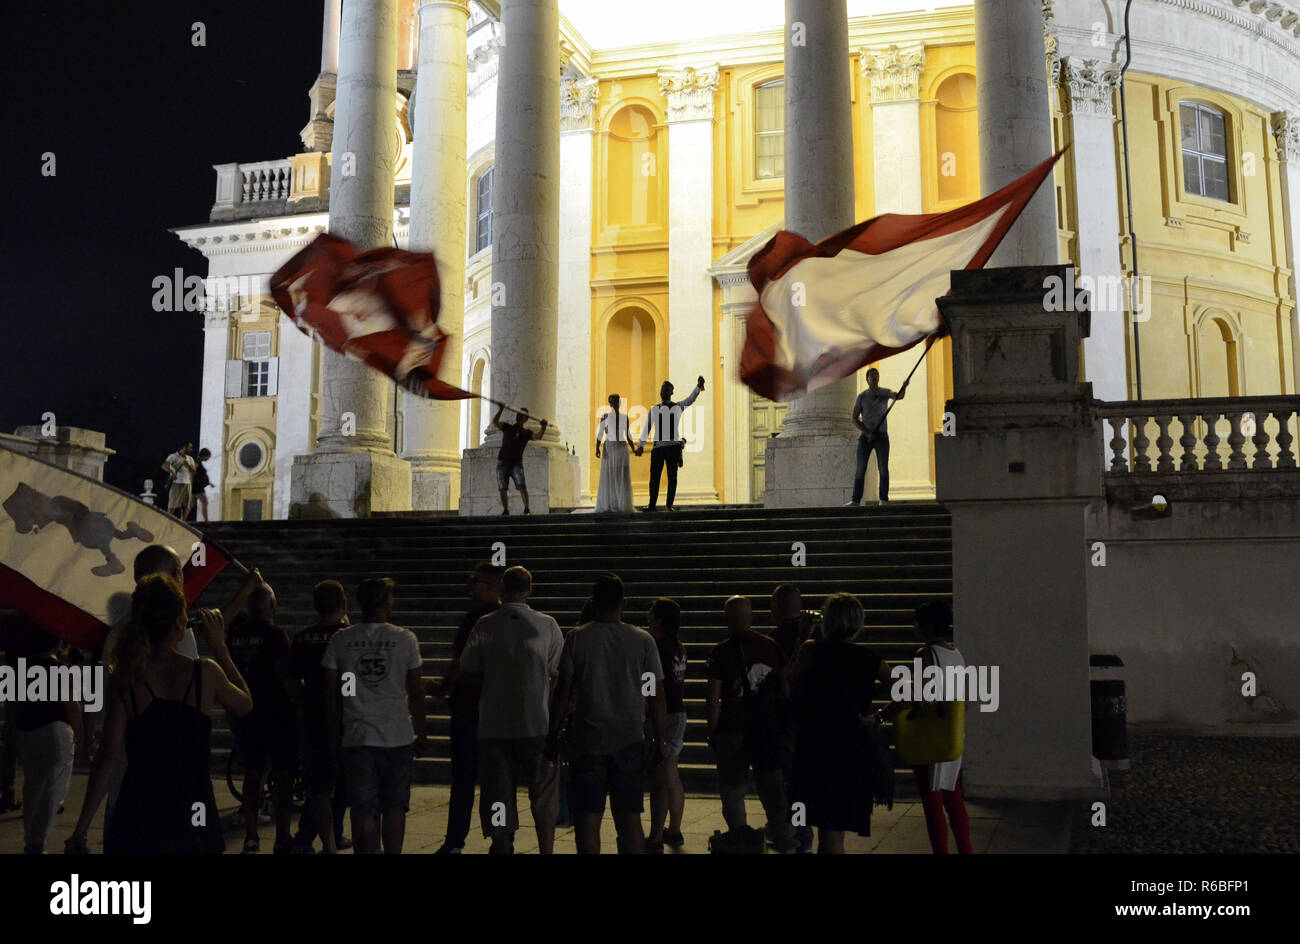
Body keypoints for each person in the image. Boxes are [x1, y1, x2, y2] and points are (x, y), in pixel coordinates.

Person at [66, 574, 254, 854]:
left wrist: (81, 830)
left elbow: (108, 758)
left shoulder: (127, 678)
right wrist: (220, 647)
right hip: (194, 807)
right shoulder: (206, 672)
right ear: (180, 623)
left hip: (139, 808)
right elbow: (246, 704)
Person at [547, 574, 665, 854]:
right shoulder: (643, 641)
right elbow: (655, 696)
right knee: (629, 819)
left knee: (587, 821)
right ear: (625, 603)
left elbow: (563, 693)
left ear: (593, 602)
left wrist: (552, 733)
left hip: (587, 742)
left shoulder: (577, 638)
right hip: (630, 741)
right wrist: (659, 740)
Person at [458, 566, 563, 854]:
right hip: (536, 722)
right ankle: (546, 848)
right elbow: (559, 674)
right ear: (530, 590)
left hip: (494, 724)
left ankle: (502, 843)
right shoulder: (548, 625)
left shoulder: (485, 625)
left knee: (498, 793)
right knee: (542, 794)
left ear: (502, 589)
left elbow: (467, 670)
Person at [322, 578, 427, 854]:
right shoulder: (404, 639)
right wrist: (422, 731)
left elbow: (332, 695)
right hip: (397, 736)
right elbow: (416, 692)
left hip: (357, 737)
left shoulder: (341, 640)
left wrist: (334, 735)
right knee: (394, 806)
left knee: (362, 807)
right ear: (387, 603)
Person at [789, 592, 893, 854]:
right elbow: (908, 694)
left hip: (816, 744)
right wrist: (878, 716)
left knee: (827, 828)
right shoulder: (872, 659)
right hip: (852, 748)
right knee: (836, 829)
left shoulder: (811, 650)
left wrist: (802, 638)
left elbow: (788, 684)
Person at [705, 596, 795, 853]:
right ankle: (784, 837)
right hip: (765, 728)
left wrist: (713, 729)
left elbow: (713, 698)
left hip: (732, 729)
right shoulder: (771, 646)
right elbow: (785, 688)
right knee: (772, 787)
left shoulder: (720, 651)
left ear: (726, 620)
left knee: (733, 789)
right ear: (752, 618)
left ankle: (740, 838)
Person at [886, 600, 972, 855]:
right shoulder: (956, 654)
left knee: (932, 801)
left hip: (929, 737)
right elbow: (966, 701)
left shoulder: (925, 655)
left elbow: (920, 697)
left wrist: (892, 707)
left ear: (928, 626)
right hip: (952, 736)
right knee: (954, 799)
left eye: (918, 622)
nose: (915, 627)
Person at [431, 563, 503, 854]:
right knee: (497, 781)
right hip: (498, 710)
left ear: (490, 585)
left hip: (469, 708)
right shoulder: (506, 618)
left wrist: (443, 687)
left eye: (476, 582)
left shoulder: (476, 618)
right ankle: (501, 840)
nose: (472, 587)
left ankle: (454, 842)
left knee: (463, 779)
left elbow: (458, 664)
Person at [226, 583, 298, 854]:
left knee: (253, 775)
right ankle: (282, 837)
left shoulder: (235, 636)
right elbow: (284, 675)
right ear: (272, 606)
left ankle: (252, 836)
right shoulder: (276, 635)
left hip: (247, 714)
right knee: (283, 776)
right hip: (277, 715)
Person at [290, 580, 352, 854]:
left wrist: (304, 701)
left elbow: (290, 680)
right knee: (343, 783)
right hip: (348, 717)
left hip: (314, 716)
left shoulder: (303, 639)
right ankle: (330, 836)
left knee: (319, 785)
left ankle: (323, 840)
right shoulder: (350, 636)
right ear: (344, 604)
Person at [15, 628, 82, 854]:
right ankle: (38, 840)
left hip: (27, 730)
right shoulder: (60, 670)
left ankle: (31, 839)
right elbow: (71, 706)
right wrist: (82, 735)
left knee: (32, 786)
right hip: (55, 730)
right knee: (53, 788)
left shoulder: (22, 669)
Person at [770, 584, 814, 852]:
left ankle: (799, 834)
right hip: (815, 716)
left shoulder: (773, 639)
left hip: (787, 718)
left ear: (777, 609)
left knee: (791, 780)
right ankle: (805, 834)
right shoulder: (821, 637)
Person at [645, 597, 686, 854]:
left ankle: (657, 835)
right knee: (672, 773)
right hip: (677, 710)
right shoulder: (678, 646)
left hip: (665, 713)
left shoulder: (657, 647)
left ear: (658, 621)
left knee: (663, 776)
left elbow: (652, 686)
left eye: (651, 614)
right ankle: (674, 829)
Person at [635, 375, 705, 511]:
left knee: (672, 478)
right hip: (658, 448)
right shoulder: (654, 409)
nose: (663, 391)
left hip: (672, 447)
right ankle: (652, 504)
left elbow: (690, 400)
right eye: (662, 389)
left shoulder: (678, 406)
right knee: (654, 478)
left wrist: (698, 387)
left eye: (666, 389)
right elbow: (646, 428)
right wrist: (641, 446)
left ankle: (669, 505)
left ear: (671, 392)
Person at [847, 368, 907, 506]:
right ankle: (856, 500)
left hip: (881, 436)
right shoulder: (861, 397)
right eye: (872, 375)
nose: (874, 377)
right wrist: (867, 432)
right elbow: (854, 419)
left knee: (883, 468)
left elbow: (898, 396)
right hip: (866, 437)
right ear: (867, 379)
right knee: (860, 469)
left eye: (876, 375)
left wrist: (904, 387)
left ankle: (883, 499)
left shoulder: (884, 392)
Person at [493, 404, 548, 516]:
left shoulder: (526, 433)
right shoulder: (507, 427)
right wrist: (500, 410)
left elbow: (538, 437)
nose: (519, 416)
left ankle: (527, 509)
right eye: (519, 414)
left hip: (516, 464)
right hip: (502, 462)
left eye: (522, 415)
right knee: (502, 488)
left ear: (526, 419)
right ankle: (505, 510)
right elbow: (495, 422)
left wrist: (543, 427)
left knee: (522, 486)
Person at [594, 394, 636, 513]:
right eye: (611, 402)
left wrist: (633, 449)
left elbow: (628, 435)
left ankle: (621, 503)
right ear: (609, 403)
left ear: (619, 403)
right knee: (609, 475)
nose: (613, 404)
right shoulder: (605, 416)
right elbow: (601, 432)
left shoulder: (625, 417)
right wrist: (597, 447)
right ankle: (610, 504)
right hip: (609, 447)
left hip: (621, 448)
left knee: (621, 475)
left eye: (615, 402)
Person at [162, 442, 196, 518]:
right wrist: (172, 472)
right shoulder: (173, 456)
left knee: (185, 506)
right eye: (189, 447)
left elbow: (194, 472)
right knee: (172, 506)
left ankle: (182, 523)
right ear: (184, 447)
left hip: (187, 484)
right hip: (176, 484)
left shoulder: (190, 458)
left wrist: (188, 466)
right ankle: (168, 522)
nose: (191, 449)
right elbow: (164, 466)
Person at [189, 448, 212, 522]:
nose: (208, 459)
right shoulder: (197, 461)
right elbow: (192, 473)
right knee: (205, 502)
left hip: (196, 485)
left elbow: (200, 475)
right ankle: (206, 521)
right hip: (197, 486)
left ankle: (181, 519)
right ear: (205, 456)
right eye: (208, 457)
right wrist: (191, 484)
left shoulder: (198, 461)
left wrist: (209, 483)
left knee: (191, 505)